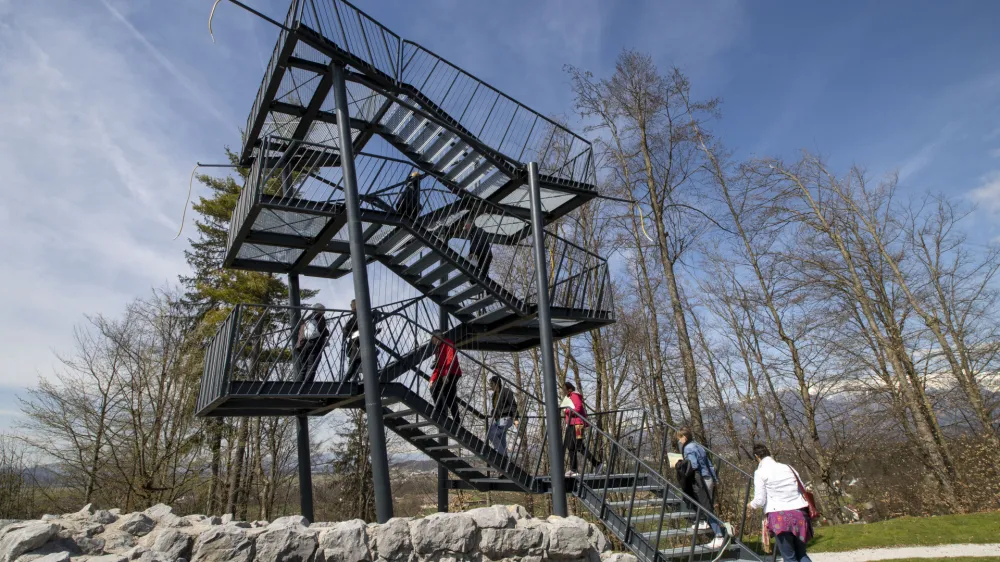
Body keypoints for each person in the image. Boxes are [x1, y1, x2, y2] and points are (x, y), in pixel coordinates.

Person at [747, 444, 813, 562]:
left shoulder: (760, 472)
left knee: (789, 557)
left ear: (757, 457)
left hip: (779, 517)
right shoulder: (788, 467)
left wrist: (751, 505)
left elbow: (760, 500)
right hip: (799, 514)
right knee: (802, 554)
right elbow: (802, 488)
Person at [676, 427, 726, 549]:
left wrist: (679, 464)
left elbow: (693, 465)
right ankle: (703, 522)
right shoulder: (698, 445)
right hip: (708, 477)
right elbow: (708, 463)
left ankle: (719, 536)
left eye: (680, 438)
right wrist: (714, 479)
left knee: (706, 507)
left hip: (700, 480)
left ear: (684, 437)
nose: (679, 441)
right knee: (704, 504)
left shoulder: (688, 448)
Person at [430, 331, 462, 425]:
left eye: (434, 339)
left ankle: (454, 419)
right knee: (439, 390)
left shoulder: (448, 343)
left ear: (438, 337)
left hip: (452, 372)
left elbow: (450, 359)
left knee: (448, 396)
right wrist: (432, 379)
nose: (434, 342)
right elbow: (438, 366)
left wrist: (446, 374)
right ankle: (443, 413)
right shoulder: (438, 349)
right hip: (445, 373)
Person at [561, 382, 590, 477]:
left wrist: (567, 410)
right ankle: (573, 469)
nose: (563, 391)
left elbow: (578, 407)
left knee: (578, 446)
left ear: (569, 389)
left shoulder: (574, 395)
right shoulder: (569, 397)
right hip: (571, 424)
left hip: (577, 424)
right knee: (570, 446)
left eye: (564, 389)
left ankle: (597, 463)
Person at [296, 303, 329, 383]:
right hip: (315, 343)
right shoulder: (319, 317)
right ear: (319, 310)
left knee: (304, 367)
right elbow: (322, 330)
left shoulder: (307, 319)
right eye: (323, 310)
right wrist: (327, 333)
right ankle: (307, 385)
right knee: (312, 365)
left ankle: (298, 386)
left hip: (304, 344)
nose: (324, 312)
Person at [487, 375, 518, 453]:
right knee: (501, 439)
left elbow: (513, 405)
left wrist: (516, 419)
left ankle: (501, 455)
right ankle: (504, 459)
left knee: (491, 434)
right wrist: (493, 412)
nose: (491, 386)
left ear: (496, 383)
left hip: (506, 418)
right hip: (498, 419)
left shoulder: (506, 391)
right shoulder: (494, 395)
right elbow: (496, 408)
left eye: (491, 384)